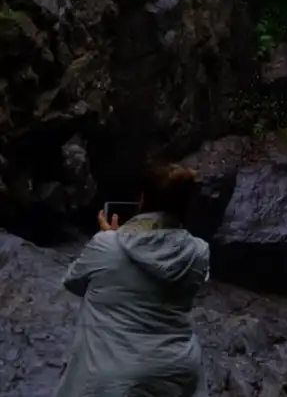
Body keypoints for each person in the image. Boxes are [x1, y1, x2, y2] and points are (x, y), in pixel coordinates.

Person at [55, 163, 211, 397]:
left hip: (115, 374)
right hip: (178, 371)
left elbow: (73, 282)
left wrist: (110, 236)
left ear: (142, 198)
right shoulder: (199, 252)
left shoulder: (107, 245)